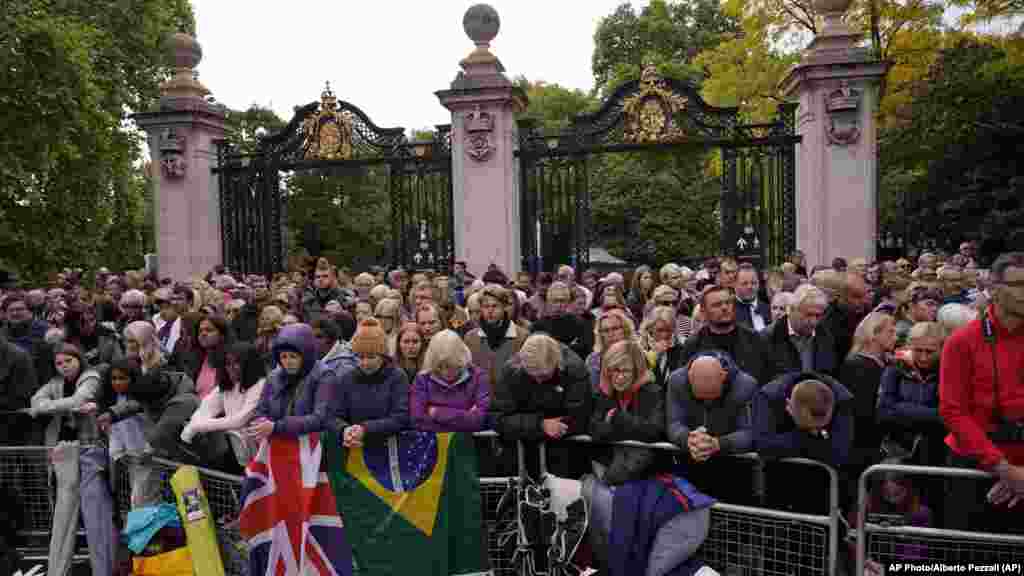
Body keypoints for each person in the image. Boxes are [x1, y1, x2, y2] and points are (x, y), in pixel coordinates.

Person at [940, 252, 1024, 534]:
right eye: (1019, 284)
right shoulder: (962, 341)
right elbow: (953, 411)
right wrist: (1005, 470)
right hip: (973, 467)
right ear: (994, 289)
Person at [28, 344, 116, 576]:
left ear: (79, 359)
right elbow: (35, 398)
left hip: (91, 450)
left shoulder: (92, 377)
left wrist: (45, 407)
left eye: (68, 361)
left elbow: (79, 399)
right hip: (63, 451)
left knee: (96, 514)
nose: (64, 367)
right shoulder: (55, 383)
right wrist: (47, 405)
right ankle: (57, 570)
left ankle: (104, 570)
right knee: (63, 515)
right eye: (58, 363)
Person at [493, 333, 591, 479]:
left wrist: (560, 425)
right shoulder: (511, 371)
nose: (538, 381)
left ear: (557, 362)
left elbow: (582, 415)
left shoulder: (575, 369)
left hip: (564, 454)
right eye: (532, 375)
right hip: (522, 453)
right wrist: (539, 425)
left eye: (544, 376)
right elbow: (499, 417)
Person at [754, 372, 853, 514]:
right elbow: (764, 446)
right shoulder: (769, 396)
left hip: (825, 492)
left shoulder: (842, 398)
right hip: (779, 487)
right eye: (810, 426)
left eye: (820, 427)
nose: (815, 429)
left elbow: (839, 454)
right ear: (789, 407)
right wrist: (815, 437)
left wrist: (800, 436)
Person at [667, 352, 757, 505]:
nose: (707, 402)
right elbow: (673, 423)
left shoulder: (745, 385)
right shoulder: (676, 380)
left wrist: (718, 443)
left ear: (724, 376)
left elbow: (751, 433)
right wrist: (688, 439)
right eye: (701, 397)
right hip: (690, 467)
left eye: (712, 396)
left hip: (733, 472)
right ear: (689, 377)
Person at [182, 341, 267, 472]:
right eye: (228, 363)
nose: (231, 368)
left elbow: (239, 420)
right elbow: (206, 408)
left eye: (237, 363)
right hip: (237, 452)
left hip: (260, 456)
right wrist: (191, 427)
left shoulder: (260, 385)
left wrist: (198, 426)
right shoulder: (226, 385)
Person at [330, 319, 410, 447]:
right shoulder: (346, 378)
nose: (365, 363)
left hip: (389, 448)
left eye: (371, 357)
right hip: (354, 449)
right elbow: (333, 416)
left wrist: (365, 429)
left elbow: (401, 417)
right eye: (360, 357)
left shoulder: (397, 377)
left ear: (383, 355)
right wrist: (344, 430)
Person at [840, 312, 896, 474]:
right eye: (890, 332)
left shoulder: (880, 364)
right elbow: (863, 410)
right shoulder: (859, 366)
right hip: (862, 445)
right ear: (874, 334)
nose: (895, 336)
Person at [410, 330, 489, 432]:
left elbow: (481, 420)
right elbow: (417, 421)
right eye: (439, 366)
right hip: (432, 445)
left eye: (451, 365)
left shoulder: (478, 376)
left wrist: (436, 412)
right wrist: (467, 417)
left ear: (461, 358)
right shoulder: (422, 379)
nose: (445, 372)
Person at [679, 285, 764, 380]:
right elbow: (683, 380)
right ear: (703, 312)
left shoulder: (753, 338)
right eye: (717, 305)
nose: (724, 307)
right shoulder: (694, 344)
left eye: (728, 303)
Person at [760, 284, 837, 383]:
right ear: (792, 310)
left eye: (818, 316)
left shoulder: (825, 336)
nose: (813, 321)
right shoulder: (768, 337)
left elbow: (830, 376)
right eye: (808, 315)